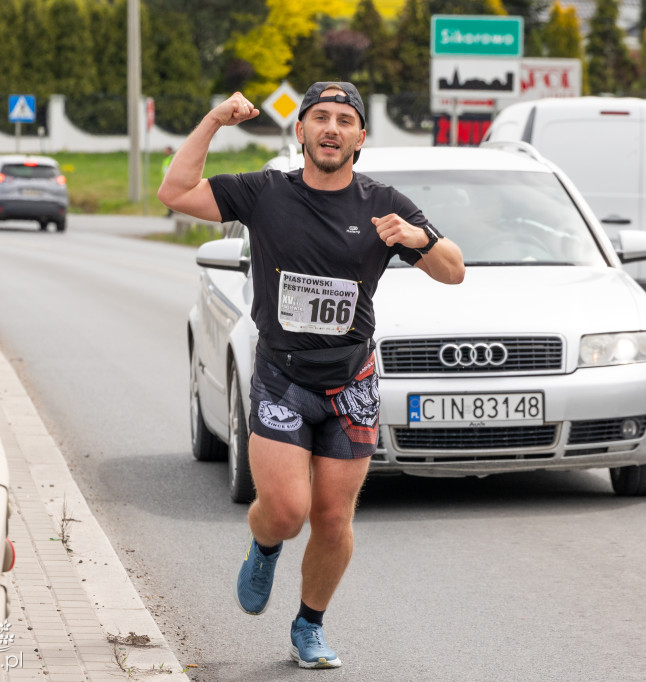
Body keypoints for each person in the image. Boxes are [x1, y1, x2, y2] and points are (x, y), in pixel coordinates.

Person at [157, 82, 464, 669]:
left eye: (344, 119)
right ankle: (266, 545)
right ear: (300, 132)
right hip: (282, 375)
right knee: (286, 510)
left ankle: (309, 626)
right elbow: (175, 191)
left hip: (352, 380)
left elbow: (454, 272)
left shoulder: (383, 203)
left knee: (331, 517)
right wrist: (214, 120)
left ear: (360, 137)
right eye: (319, 117)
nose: (331, 128)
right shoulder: (266, 192)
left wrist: (418, 238)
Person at [160, 146, 175, 216]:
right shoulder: (166, 159)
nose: (165, 151)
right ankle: (170, 211)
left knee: (170, 197)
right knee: (167, 197)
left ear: (170, 151)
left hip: (170, 181)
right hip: (166, 181)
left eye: (166, 150)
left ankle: (172, 212)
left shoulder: (172, 158)